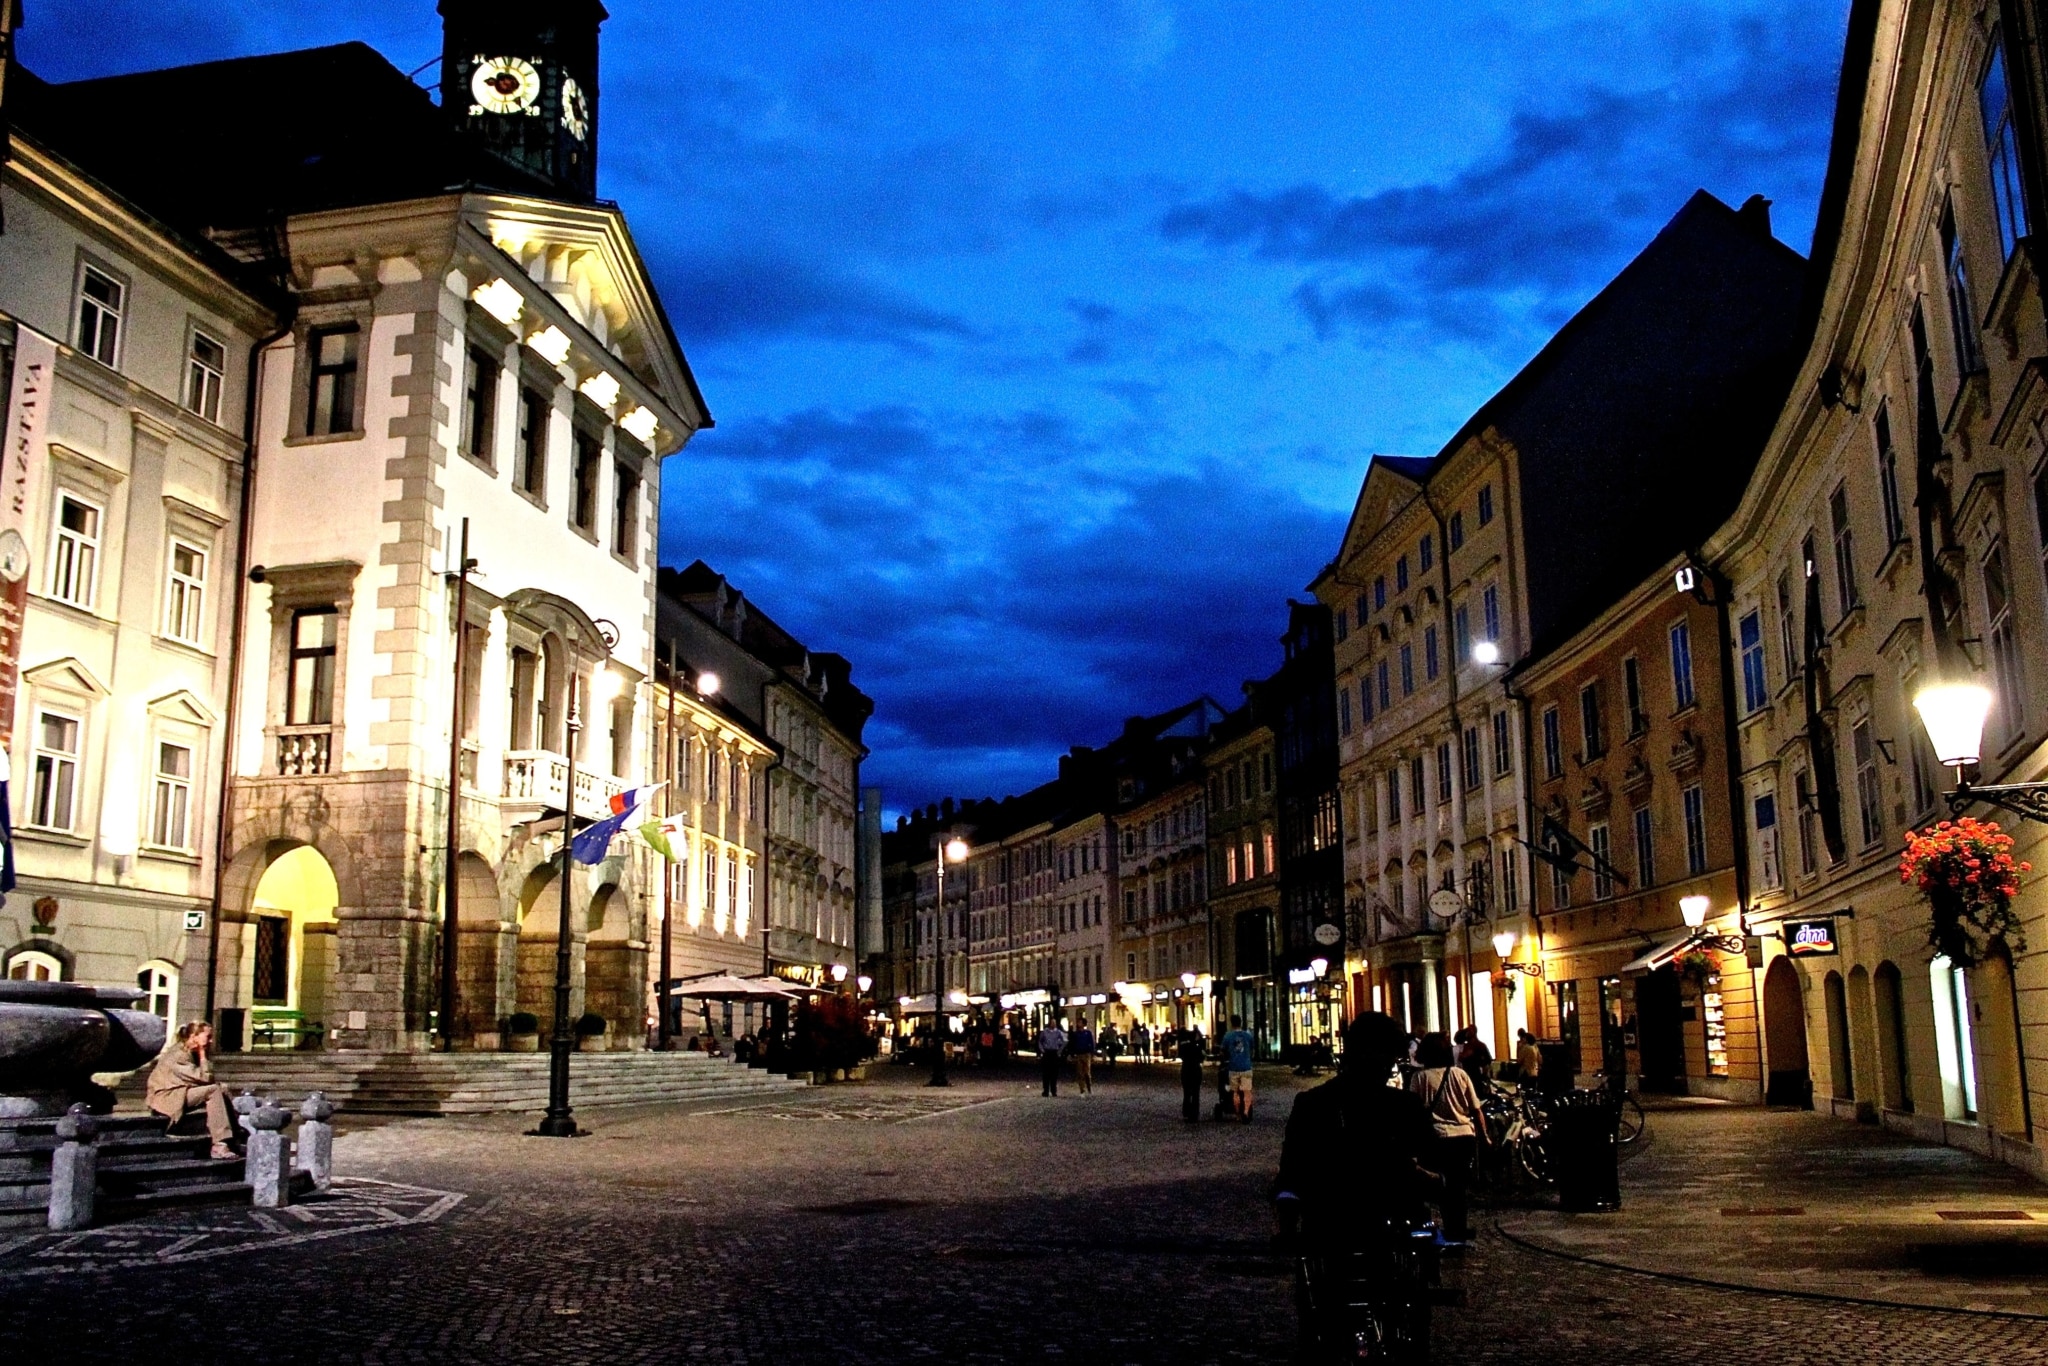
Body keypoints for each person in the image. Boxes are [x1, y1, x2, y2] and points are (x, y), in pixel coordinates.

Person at [1275, 1013, 1439, 1349]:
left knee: (1321, 1315)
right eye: (1389, 1055)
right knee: (1402, 1302)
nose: (1390, 1064)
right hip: (1381, 1225)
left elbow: (1291, 1170)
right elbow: (1431, 1157)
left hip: (1331, 1225)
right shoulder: (1402, 1105)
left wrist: (1289, 1215)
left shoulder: (1312, 1103)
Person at [1406, 1032, 1486, 1244]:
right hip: (1464, 1138)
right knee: (1458, 1186)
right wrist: (1485, 1137)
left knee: (1440, 1185)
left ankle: (1444, 1230)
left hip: (1437, 1138)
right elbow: (1476, 1110)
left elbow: (1414, 1111)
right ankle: (1457, 1229)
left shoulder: (1419, 1078)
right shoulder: (1460, 1075)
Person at [146, 1022, 237, 1160]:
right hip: (167, 1097)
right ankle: (219, 1144)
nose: (211, 1040)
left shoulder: (188, 1052)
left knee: (222, 1088)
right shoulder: (178, 1055)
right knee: (213, 1090)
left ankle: (235, 1134)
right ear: (194, 1036)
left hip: (180, 1091)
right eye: (208, 1036)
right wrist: (202, 1055)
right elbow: (205, 1078)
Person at [1221, 1015, 1257, 1121]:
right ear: (1241, 1022)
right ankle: (1246, 1111)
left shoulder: (1228, 1036)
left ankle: (1237, 1114)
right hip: (1246, 1066)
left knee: (1235, 1092)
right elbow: (1252, 1049)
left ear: (1231, 1023)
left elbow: (1223, 1051)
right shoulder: (1248, 1035)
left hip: (1233, 1067)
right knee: (1247, 1091)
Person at [1177, 1028, 1207, 1121]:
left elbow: (1181, 1056)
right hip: (1195, 1070)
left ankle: (1186, 1111)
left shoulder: (1183, 1047)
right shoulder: (1197, 1047)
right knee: (1195, 1092)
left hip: (1186, 1069)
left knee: (1186, 1092)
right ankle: (1194, 1113)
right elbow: (1202, 1058)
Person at [1037, 1018, 1068, 1097]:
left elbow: (1065, 1041)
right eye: (1052, 1023)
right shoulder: (1044, 1032)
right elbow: (1040, 1041)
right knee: (1046, 1073)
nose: (1053, 1024)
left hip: (1054, 1052)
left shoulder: (1058, 1032)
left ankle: (1053, 1091)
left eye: (1055, 1023)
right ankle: (1046, 1090)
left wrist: (1060, 1050)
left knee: (1054, 1073)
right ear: (1049, 1023)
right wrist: (1042, 1050)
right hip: (1047, 1052)